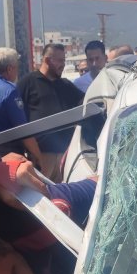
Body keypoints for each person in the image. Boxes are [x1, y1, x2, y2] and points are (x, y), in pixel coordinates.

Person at [17, 42, 84, 180]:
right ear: (47, 60)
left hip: (66, 155)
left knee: (64, 195)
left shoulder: (66, 85)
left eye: (64, 60)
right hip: (41, 156)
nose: (63, 64)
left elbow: (85, 102)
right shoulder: (28, 83)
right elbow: (18, 118)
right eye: (60, 61)